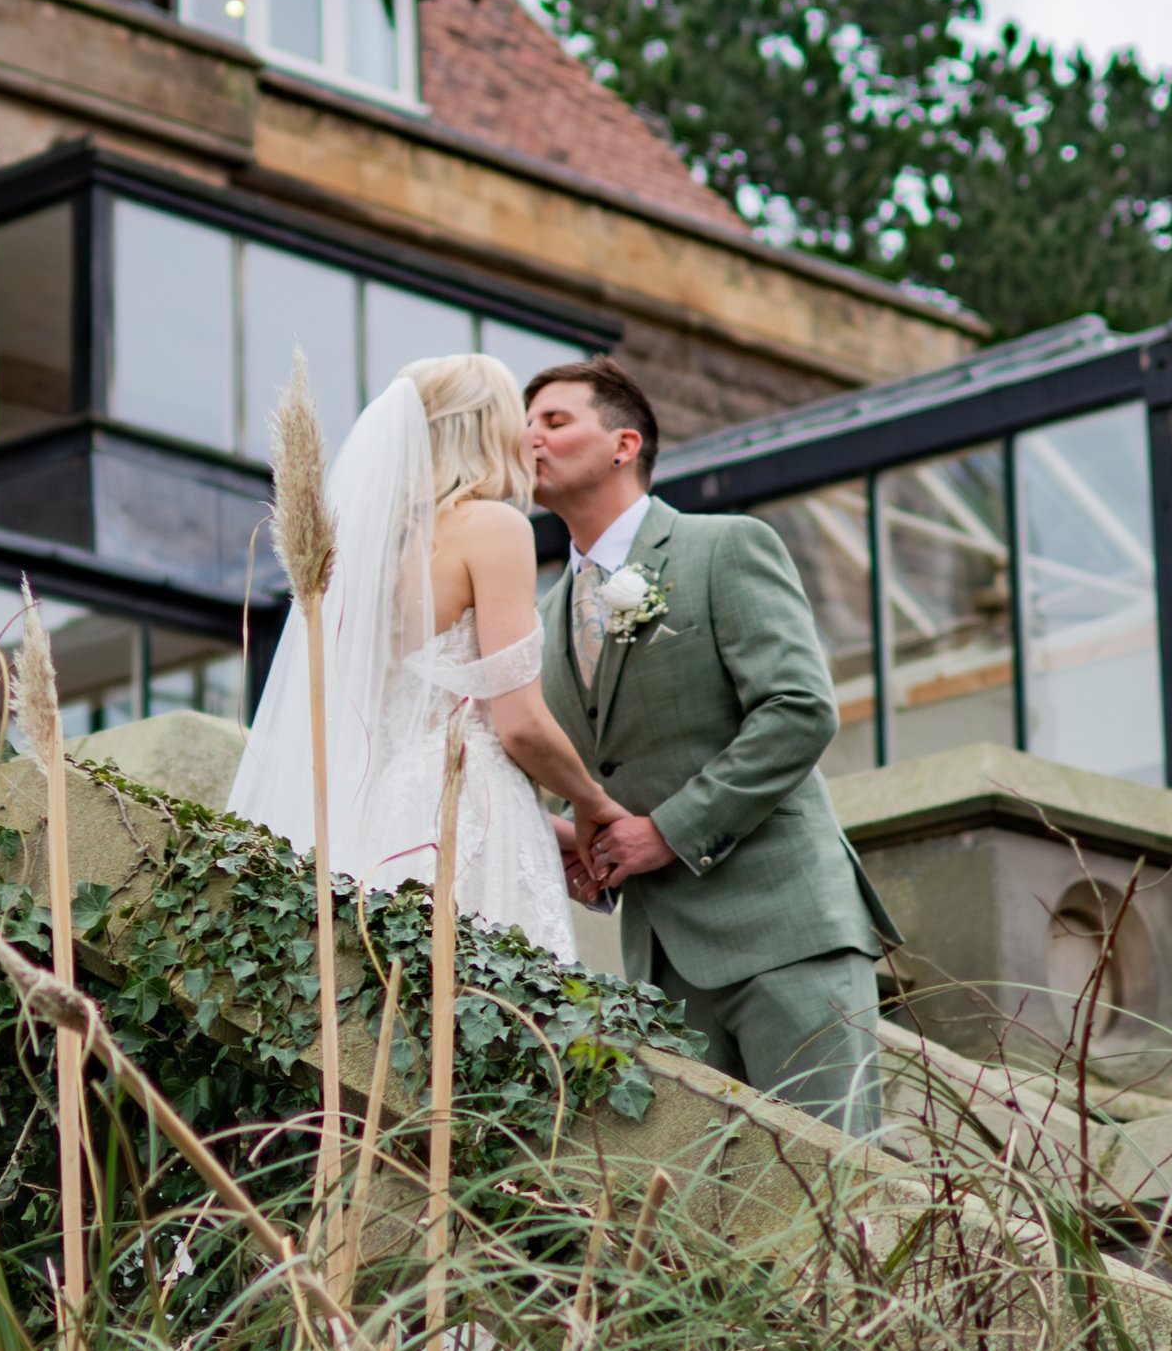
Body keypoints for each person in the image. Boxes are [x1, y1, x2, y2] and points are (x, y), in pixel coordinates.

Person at [525, 354, 892, 1134]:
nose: (530, 439)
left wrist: (667, 832)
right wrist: (580, 837)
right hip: (659, 962)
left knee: (837, 1204)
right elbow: (608, 760)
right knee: (713, 1234)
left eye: (554, 421)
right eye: (523, 425)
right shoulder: (545, 615)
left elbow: (798, 710)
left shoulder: (724, 546)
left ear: (624, 445)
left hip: (786, 933)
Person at [229, 354, 616, 959]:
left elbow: (399, 726)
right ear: (487, 427)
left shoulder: (368, 552)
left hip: (389, 813)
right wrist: (594, 805)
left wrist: (551, 832)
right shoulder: (492, 526)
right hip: (468, 803)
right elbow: (518, 725)